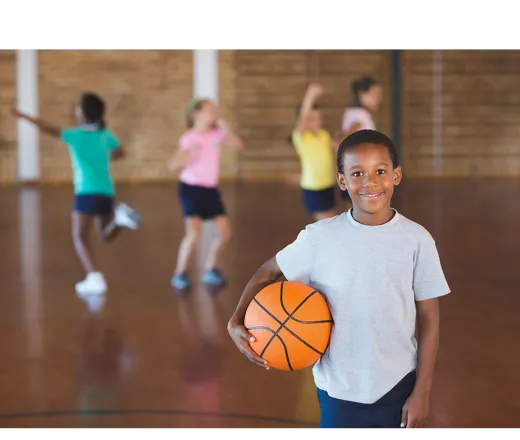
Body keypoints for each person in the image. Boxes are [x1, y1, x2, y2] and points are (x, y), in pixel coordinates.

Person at [228, 129, 450, 431]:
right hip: (339, 390)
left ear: (396, 175)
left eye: (380, 171)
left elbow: (429, 319)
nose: (370, 182)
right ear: (342, 180)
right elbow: (269, 271)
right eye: (357, 173)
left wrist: (422, 390)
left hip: (399, 384)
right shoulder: (320, 238)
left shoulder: (416, 240)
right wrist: (236, 319)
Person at [13, 92, 141, 295]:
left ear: (83, 114)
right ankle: (120, 219)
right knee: (104, 234)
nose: (75, 110)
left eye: (78, 107)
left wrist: (25, 117)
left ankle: (95, 278)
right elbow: (120, 152)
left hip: (85, 191)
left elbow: (47, 128)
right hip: (106, 190)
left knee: (80, 236)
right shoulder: (105, 135)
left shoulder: (75, 136)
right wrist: (105, 157)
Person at [168, 99, 244, 291]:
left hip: (210, 189)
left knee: (225, 233)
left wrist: (225, 127)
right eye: (210, 111)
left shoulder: (217, 135)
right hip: (191, 189)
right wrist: (188, 156)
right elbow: (173, 164)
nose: (214, 114)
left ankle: (210, 268)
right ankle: (179, 273)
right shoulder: (189, 138)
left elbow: (237, 145)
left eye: (215, 111)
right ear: (197, 115)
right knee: (194, 234)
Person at [291, 83, 338, 221]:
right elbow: (303, 117)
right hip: (313, 187)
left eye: (318, 118)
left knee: (332, 220)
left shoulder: (324, 134)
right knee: (326, 223)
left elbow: (336, 148)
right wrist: (311, 95)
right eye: (311, 119)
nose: (316, 122)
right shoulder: (301, 137)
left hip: (328, 184)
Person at [335, 75, 383, 209]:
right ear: (362, 94)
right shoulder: (359, 114)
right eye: (375, 94)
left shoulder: (355, 112)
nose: (378, 98)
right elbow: (345, 137)